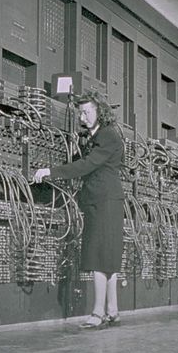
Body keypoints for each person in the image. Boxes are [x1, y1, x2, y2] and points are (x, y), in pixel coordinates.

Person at [33, 91, 124, 329]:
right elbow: (81, 159)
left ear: (100, 112)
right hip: (102, 200)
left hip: (104, 200)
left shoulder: (108, 135)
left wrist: (51, 172)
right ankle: (112, 310)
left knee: (98, 255)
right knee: (108, 256)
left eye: (87, 111)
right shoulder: (96, 137)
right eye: (80, 112)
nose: (82, 117)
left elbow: (87, 165)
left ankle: (97, 313)